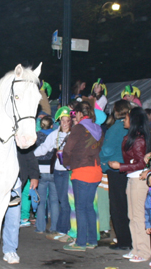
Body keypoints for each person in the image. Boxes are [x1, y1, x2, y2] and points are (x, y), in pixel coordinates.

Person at [108, 107, 151, 262]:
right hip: (132, 178)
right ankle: (136, 248)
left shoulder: (139, 139)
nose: (123, 121)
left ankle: (144, 251)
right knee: (131, 216)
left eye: (126, 118)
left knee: (138, 217)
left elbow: (141, 164)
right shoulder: (133, 137)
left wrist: (120, 166)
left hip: (139, 179)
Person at [62, 101, 103, 251]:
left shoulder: (79, 128)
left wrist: (67, 164)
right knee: (89, 207)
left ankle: (80, 242)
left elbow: (68, 149)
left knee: (80, 207)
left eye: (75, 114)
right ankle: (92, 240)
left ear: (79, 113)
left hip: (81, 171)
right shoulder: (98, 128)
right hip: (95, 170)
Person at [36, 106, 73, 242]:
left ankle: (64, 230)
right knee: (60, 201)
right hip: (57, 172)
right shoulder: (54, 134)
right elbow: (44, 148)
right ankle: (62, 229)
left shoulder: (74, 134)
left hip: (69, 172)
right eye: (62, 120)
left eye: (67, 120)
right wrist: (29, 155)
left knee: (65, 201)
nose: (64, 123)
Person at [101, 100, 132, 251]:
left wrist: (101, 161)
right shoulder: (133, 127)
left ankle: (123, 240)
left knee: (117, 206)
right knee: (128, 205)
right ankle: (131, 238)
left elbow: (107, 149)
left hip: (115, 169)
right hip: (130, 169)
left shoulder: (116, 128)